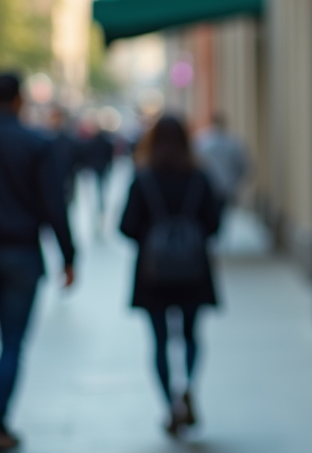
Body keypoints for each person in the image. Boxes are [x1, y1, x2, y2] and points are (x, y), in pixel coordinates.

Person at [120, 115, 222, 437]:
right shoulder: (199, 177)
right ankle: (188, 386)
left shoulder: (144, 178)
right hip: (193, 271)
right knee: (191, 335)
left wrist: (153, 236)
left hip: (154, 274)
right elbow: (214, 224)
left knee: (160, 340)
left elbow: (125, 226)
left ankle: (170, 405)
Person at [0, 73, 75, 450]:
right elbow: (53, 204)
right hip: (22, 253)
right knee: (12, 342)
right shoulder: (36, 144)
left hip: (21, 252)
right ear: (19, 100)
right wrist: (69, 256)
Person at [193, 112, 249, 207]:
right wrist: (234, 181)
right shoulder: (233, 143)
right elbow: (243, 167)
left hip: (207, 187)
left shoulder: (201, 141)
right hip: (227, 188)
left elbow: (194, 163)